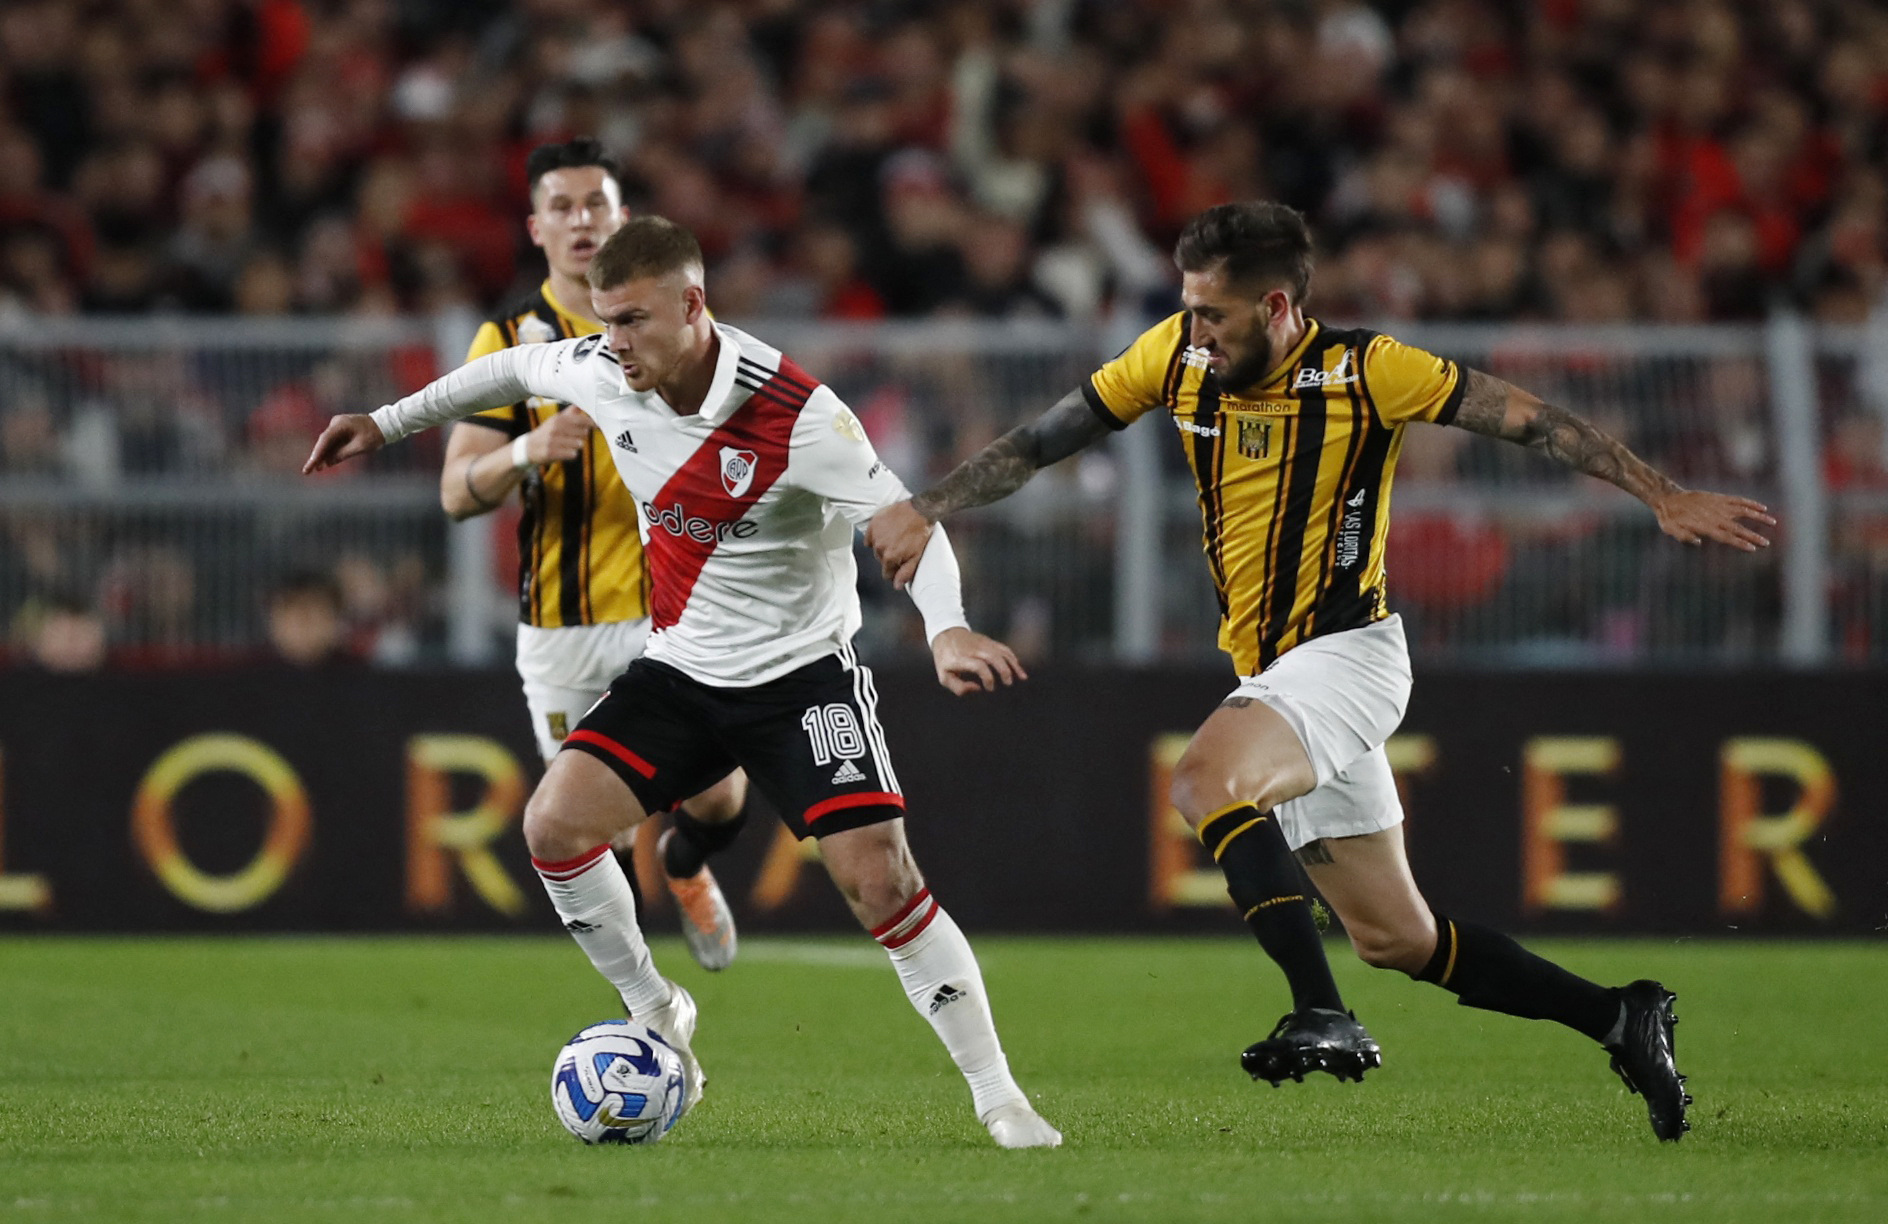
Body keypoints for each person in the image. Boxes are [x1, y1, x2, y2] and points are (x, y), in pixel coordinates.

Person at [867, 201, 1775, 1143]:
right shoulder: (1174, 358)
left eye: (1213, 312)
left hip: (1349, 656)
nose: (1195, 329)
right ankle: (1622, 1019)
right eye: (1187, 306)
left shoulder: (1367, 369)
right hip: (1279, 672)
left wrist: (1662, 493)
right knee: (1399, 938)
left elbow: (1531, 421)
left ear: (1275, 305)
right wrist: (931, 504)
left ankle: (1321, 1008)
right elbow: (1047, 438)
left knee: (1204, 778)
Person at [304, 216, 1062, 1149]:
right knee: (553, 826)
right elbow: (504, 374)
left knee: (879, 882)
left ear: (693, 306)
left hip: (801, 682)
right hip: (680, 672)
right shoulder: (596, 368)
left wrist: (945, 632)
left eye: (631, 322)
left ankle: (1000, 1098)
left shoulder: (800, 416)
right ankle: (656, 1010)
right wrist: (384, 423)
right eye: (603, 321)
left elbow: (911, 525)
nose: (612, 344)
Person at [439, 139, 745, 971]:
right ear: (536, 227)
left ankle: (684, 863)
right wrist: (525, 452)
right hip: (564, 627)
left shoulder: (679, 329)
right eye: (563, 208)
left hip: (671, 616)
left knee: (720, 795)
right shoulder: (509, 339)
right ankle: (645, 1012)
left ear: (624, 223)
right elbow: (457, 491)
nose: (582, 221)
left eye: (597, 206)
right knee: (590, 835)